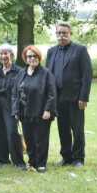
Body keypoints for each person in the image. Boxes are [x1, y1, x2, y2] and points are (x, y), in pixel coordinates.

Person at [46, 22, 93, 167]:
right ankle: (66, 157)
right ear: (56, 34)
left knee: (77, 130)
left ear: (70, 33)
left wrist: (83, 97)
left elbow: (87, 75)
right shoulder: (51, 51)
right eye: (59, 33)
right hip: (57, 98)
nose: (62, 36)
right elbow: (48, 75)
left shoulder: (80, 50)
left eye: (64, 33)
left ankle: (78, 158)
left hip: (75, 98)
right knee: (63, 129)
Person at [12, 45, 57, 173]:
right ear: (25, 59)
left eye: (34, 56)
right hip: (24, 113)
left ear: (39, 57)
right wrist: (16, 110)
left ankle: (41, 163)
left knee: (41, 139)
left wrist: (48, 110)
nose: (32, 58)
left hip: (41, 112)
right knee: (29, 139)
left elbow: (51, 93)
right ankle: (32, 162)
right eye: (29, 56)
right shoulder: (21, 73)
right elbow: (15, 93)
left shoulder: (46, 73)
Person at [0, 44, 25, 168]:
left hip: (11, 104)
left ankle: (18, 161)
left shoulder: (19, 71)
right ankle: (2, 160)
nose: (3, 56)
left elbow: (22, 90)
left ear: (11, 55)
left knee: (12, 132)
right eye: (1, 54)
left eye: (6, 53)